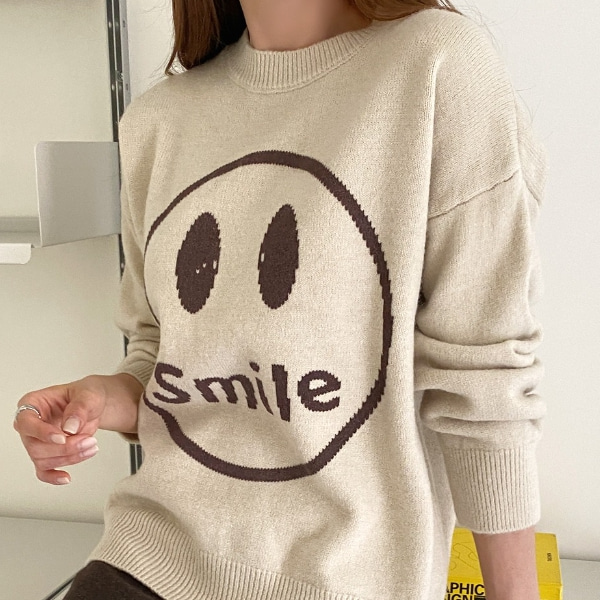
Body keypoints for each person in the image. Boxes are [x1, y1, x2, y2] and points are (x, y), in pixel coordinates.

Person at [13, 0, 549, 598]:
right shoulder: (158, 120)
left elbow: (484, 377)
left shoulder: (437, 65)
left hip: (345, 579)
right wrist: (104, 398)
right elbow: (159, 348)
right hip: (147, 558)